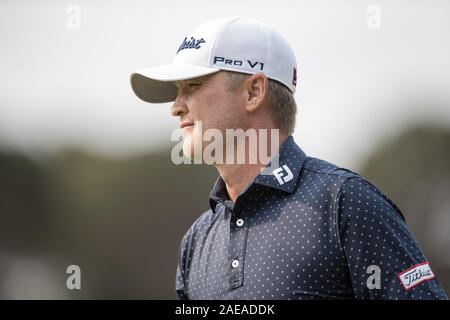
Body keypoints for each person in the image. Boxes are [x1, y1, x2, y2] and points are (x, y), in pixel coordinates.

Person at [130, 17, 448, 299]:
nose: (176, 106)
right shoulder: (196, 241)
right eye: (176, 91)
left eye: (193, 86)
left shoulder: (345, 203)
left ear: (254, 91)